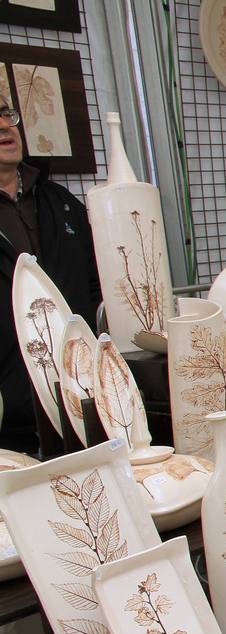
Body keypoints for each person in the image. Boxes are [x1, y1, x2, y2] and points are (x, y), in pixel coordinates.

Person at [0, 104, 101, 452]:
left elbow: (94, 283)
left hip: (86, 398)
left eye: (5, 114)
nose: (3, 126)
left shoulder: (61, 202)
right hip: (14, 420)